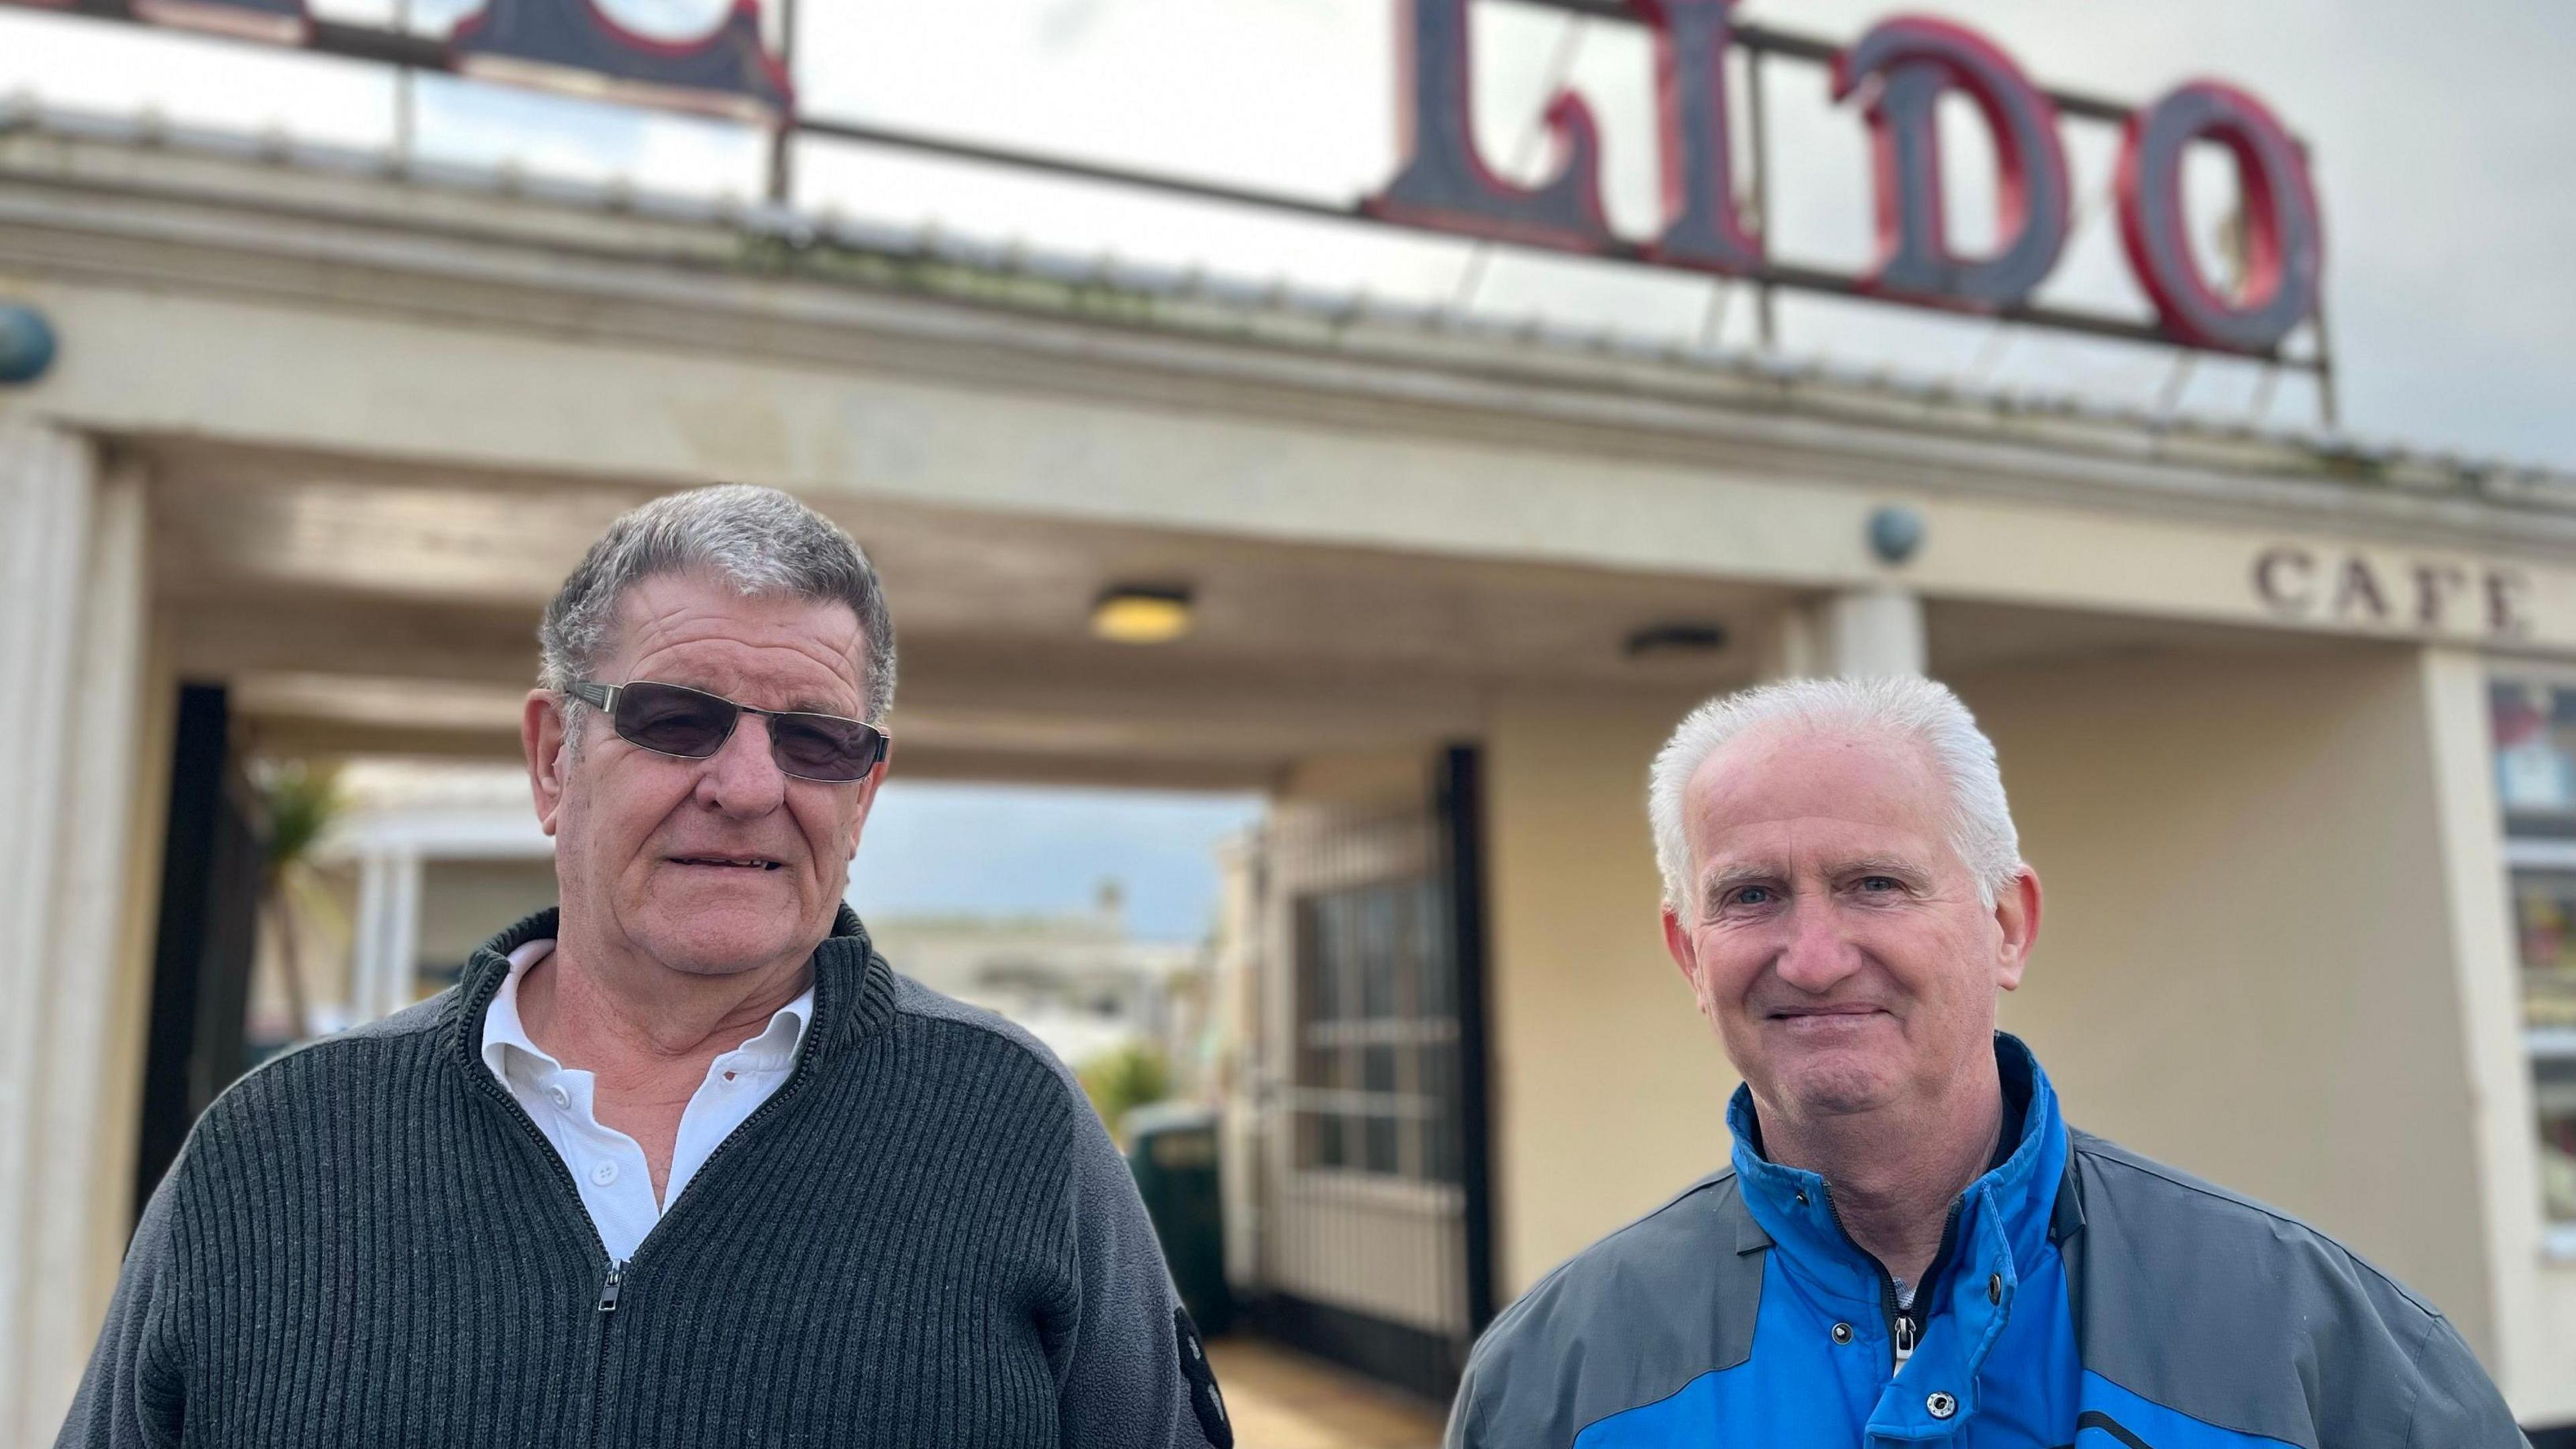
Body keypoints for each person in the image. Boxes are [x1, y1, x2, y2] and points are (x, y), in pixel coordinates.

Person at [61, 484, 1233, 1449]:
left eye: (815, 739)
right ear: (552, 759)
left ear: (864, 794)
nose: (748, 785)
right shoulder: (272, 1153)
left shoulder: (1016, 1132)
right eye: (678, 719)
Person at [1446, 675, 2525, 1448]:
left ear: (2006, 925)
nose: (1814, 959)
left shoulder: (2316, 1345)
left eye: (1876, 883)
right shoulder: (1557, 1377)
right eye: (1750, 896)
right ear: (1691, 953)